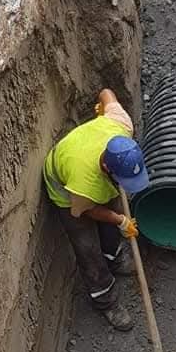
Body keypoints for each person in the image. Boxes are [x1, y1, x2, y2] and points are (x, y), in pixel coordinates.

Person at [43, 88, 149, 330]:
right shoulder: (84, 185)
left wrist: (102, 106)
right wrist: (120, 220)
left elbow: (107, 93)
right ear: (107, 168)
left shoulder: (121, 124)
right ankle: (106, 300)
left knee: (111, 221)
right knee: (87, 247)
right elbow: (87, 211)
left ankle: (115, 258)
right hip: (67, 193)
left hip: (90, 164)